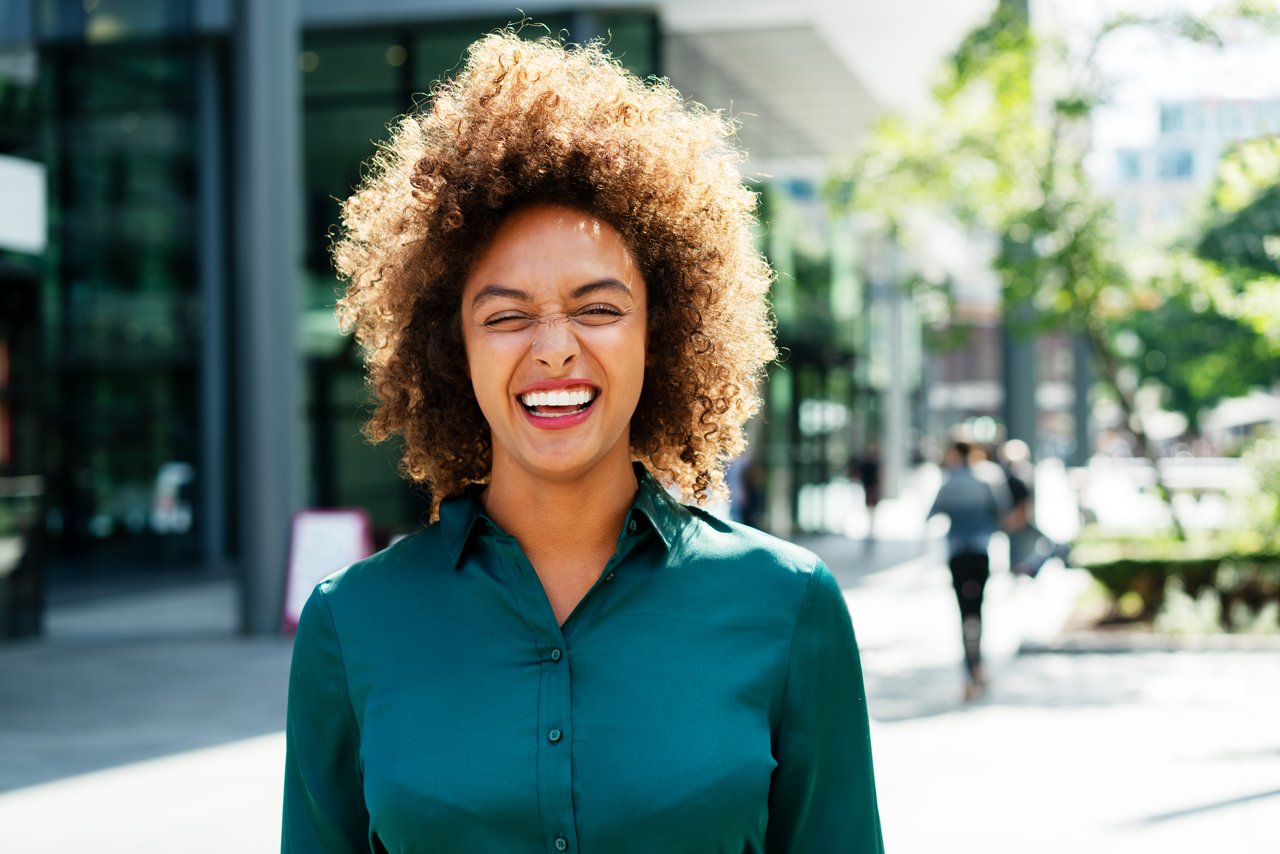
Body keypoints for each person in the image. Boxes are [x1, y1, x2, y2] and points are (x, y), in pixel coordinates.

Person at [282, 31, 883, 853]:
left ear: (660, 334)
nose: (555, 349)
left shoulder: (788, 606)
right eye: (506, 315)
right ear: (453, 349)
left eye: (598, 309)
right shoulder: (351, 624)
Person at [928, 439, 1010, 702]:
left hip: (957, 554)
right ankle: (978, 666)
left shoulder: (949, 483)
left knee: (963, 611)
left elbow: (931, 514)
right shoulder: (985, 481)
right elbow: (1001, 513)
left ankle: (970, 672)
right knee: (977, 610)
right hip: (980, 552)